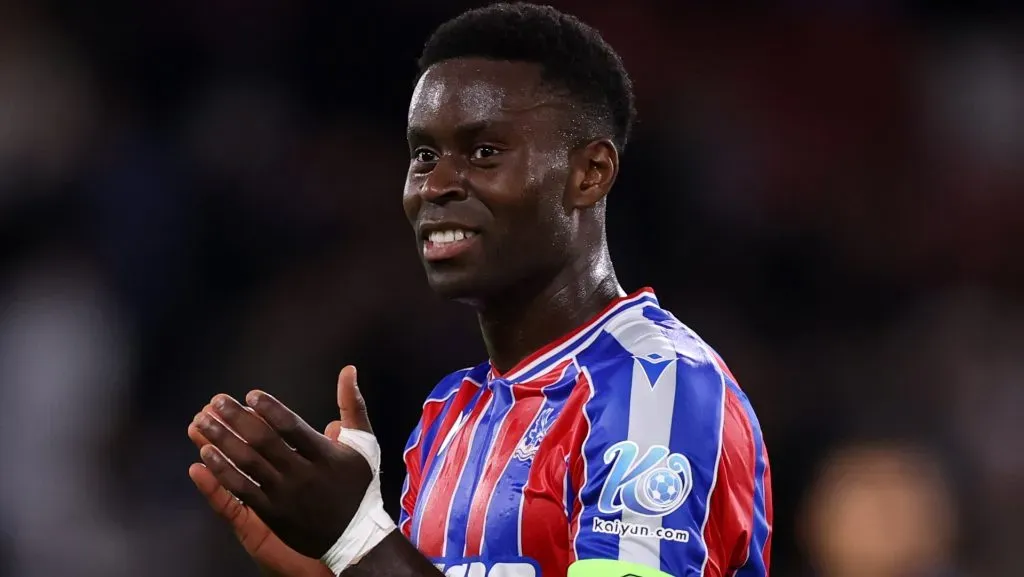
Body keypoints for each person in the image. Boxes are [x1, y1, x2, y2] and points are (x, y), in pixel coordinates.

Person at [186, 4, 772, 577]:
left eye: (484, 152)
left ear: (589, 174)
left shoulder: (655, 389)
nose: (436, 185)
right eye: (423, 154)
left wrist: (359, 541)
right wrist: (337, 569)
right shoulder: (451, 413)